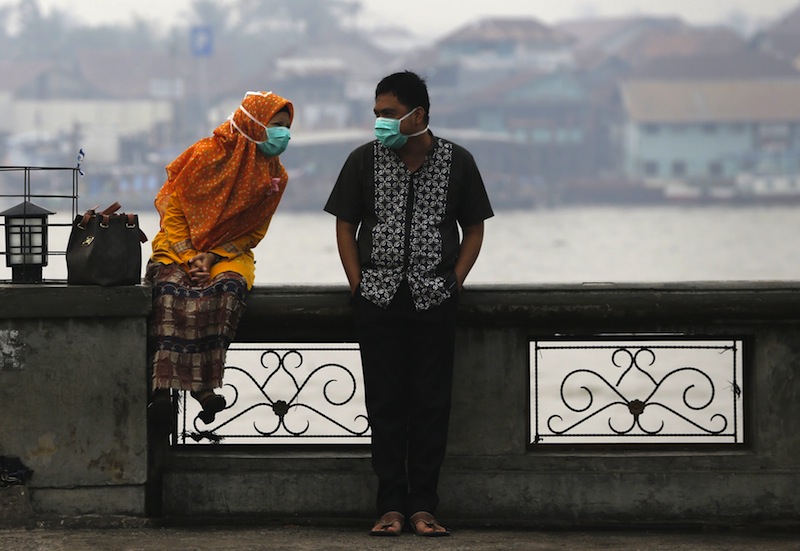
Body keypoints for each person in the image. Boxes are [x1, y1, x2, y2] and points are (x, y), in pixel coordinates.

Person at [324, 71, 493, 537]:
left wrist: (455, 279)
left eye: (390, 114)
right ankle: (390, 507)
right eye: (377, 114)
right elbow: (344, 222)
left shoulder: (458, 162)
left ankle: (424, 507)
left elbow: (475, 226)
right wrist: (357, 282)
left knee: (431, 404)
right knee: (384, 404)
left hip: (434, 300)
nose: (380, 122)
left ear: (418, 115)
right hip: (377, 301)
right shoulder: (363, 161)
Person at [147, 90, 293, 432]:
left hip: (228, 253)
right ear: (253, 124)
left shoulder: (275, 176)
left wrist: (212, 256)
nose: (284, 134)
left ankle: (203, 385)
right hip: (177, 246)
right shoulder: (206, 154)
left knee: (227, 290)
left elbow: (254, 232)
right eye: (277, 126)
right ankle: (163, 390)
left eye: (287, 127)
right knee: (170, 291)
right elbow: (174, 210)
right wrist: (188, 256)